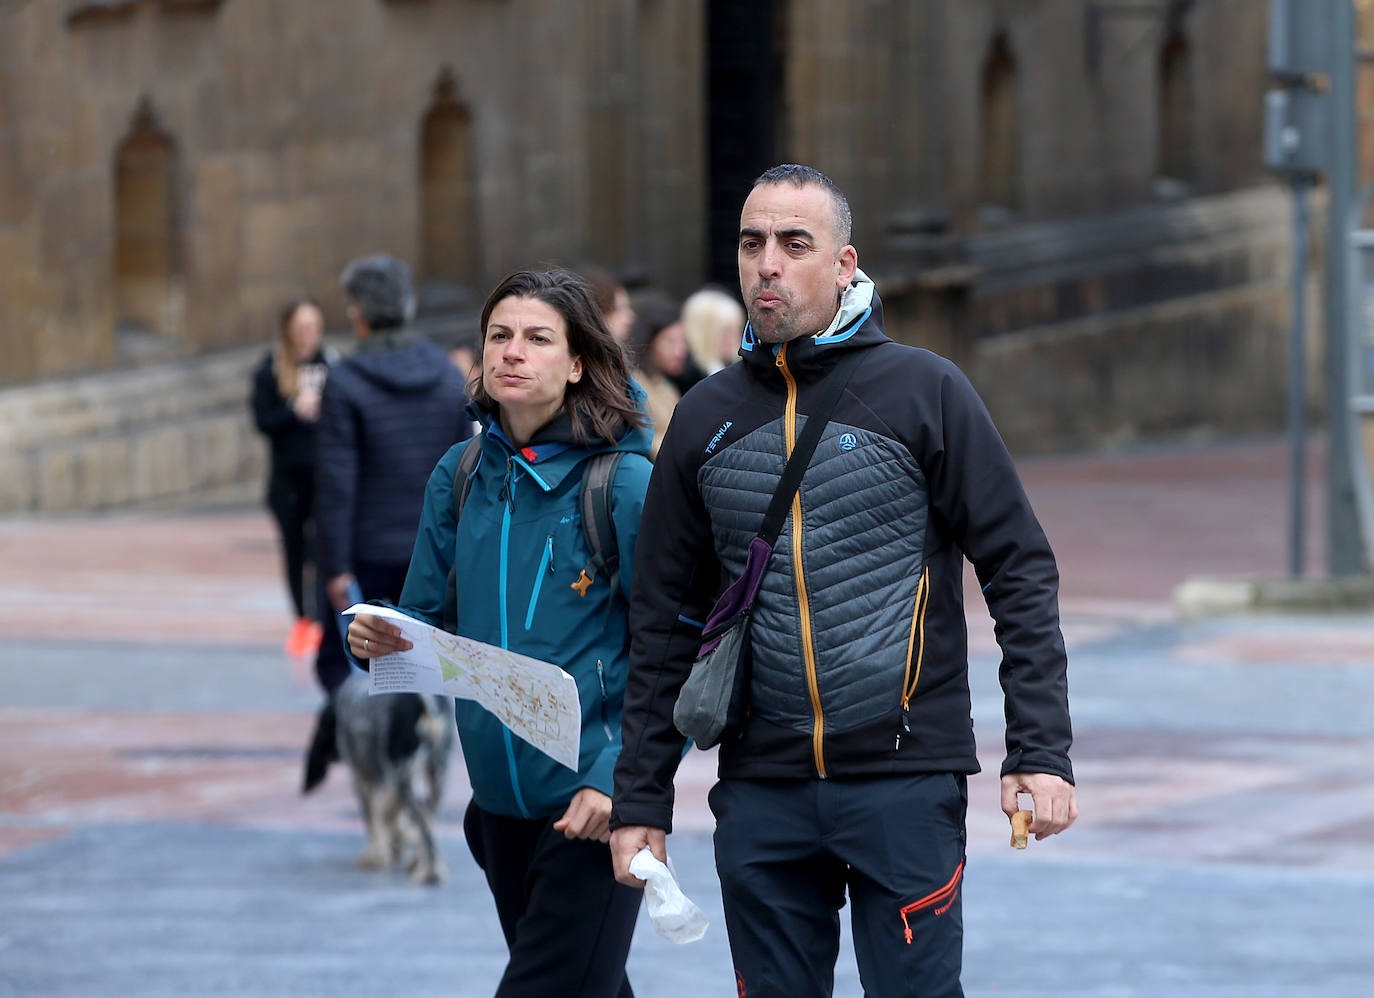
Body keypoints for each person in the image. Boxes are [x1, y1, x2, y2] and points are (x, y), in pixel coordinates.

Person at [609, 164, 1078, 998]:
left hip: (903, 779)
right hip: (761, 788)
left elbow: (1018, 567)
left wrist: (1040, 749)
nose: (768, 264)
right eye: (753, 243)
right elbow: (663, 620)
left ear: (845, 262)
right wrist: (642, 798)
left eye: (795, 244)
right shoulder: (704, 417)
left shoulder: (926, 390)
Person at [347, 269, 653, 998]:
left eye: (538, 338)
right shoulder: (459, 474)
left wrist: (619, 783)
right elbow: (428, 624)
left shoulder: (622, 483)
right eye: (499, 336)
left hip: (591, 810)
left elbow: (678, 648)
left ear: (577, 363)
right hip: (497, 814)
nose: (512, 352)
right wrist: (383, 643)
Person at [303, 253, 469, 787]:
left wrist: (333, 566)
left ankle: (378, 776)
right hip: (433, 554)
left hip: (369, 554)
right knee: (423, 672)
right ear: (410, 305)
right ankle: (422, 766)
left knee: (350, 668)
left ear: (357, 314)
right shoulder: (447, 374)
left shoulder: (346, 382)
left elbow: (335, 484)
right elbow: (464, 472)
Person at [250, 298, 332, 658]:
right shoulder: (270, 368)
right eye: (301, 329)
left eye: (314, 328)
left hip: (324, 474)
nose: (308, 337)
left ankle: (322, 617)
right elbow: (262, 421)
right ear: (288, 331)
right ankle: (303, 619)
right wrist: (292, 411)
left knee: (322, 547)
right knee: (295, 549)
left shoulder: (332, 363)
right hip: (287, 479)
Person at [627, 299, 688, 460]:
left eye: (682, 341)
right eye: (670, 341)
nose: (679, 351)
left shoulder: (666, 385)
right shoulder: (632, 386)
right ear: (649, 341)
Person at [681, 286, 745, 377]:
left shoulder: (737, 372)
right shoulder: (687, 377)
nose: (734, 339)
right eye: (726, 332)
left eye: (736, 330)